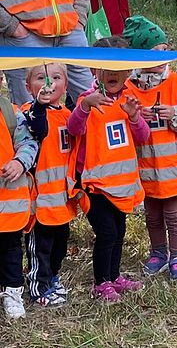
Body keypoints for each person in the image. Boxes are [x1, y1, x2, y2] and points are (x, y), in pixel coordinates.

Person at [122, 15, 177, 282]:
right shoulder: (128, 88)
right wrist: (133, 118)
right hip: (146, 166)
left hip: (176, 169)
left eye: (165, 50)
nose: (162, 56)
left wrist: (175, 114)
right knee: (153, 214)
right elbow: (119, 123)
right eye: (154, 51)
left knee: (175, 215)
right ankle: (158, 253)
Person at [67, 36, 148, 303]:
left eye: (119, 66)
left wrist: (134, 117)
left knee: (120, 231)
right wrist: (85, 107)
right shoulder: (86, 100)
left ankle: (114, 277)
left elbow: (143, 136)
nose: (112, 72)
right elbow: (74, 129)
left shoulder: (130, 100)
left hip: (121, 184)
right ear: (93, 69)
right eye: (105, 65)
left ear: (128, 70)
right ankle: (101, 283)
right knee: (107, 233)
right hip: (94, 184)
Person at [22, 63, 80, 307]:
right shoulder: (30, 112)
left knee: (60, 242)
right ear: (28, 86)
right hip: (40, 198)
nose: (48, 84)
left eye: (56, 78)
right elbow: (38, 128)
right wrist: (39, 104)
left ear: (65, 85)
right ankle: (38, 288)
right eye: (40, 78)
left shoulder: (68, 116)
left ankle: (52, 277)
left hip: (62, 197)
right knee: (40, 246)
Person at [0, 78, 39, 318]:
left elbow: (28, 142)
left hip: (9, 203)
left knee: (10, 249)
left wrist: (19, 161)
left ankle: (12, 292)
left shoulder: (10, 112)